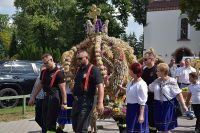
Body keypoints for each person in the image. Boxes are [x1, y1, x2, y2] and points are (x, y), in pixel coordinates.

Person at [28, 53, 67, 133]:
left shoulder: (59, 73)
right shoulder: (44, 72)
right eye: (44, 63)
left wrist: (64, 102)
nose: (45, 65)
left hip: (54, 98)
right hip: (46, 97)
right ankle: (59, 131)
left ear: (51, 60)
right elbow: (40, 85)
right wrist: (33, 97)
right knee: (44, 121)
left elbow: (63, 90)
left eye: (46, 63)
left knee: (50, 122)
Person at [149, 63, 188, 133]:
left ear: (163, 72)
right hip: (157, 106)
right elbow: (149, 88)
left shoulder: (172, 81)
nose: (156, 72)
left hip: (167, 106)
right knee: (161, 128)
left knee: (165, 128)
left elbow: (178, 93)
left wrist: (183, 105)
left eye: (158, 71)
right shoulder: (157, 80)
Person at [71, 50, 104, 133]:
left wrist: (100, 102)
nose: (78, 60)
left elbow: (100, 86)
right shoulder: (79, 69)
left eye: (80, 58)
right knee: (75, 124)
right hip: (77, 100)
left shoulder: (94, 69)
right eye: (77, 59)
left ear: (86, 58)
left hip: (87, 100)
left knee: (82, 127)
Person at [125, 63, 149, 133]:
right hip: (131, 108)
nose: (129, 71)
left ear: (134, 71)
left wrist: (141, 115)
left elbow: (142, 102)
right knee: (131, 130)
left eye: (130, 70)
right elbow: (131, 92)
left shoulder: (141, 84)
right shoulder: (131, 81)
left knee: (138, 130)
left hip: (138, 109)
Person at [142, 51, 158, 133]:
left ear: (151, 59)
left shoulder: (157, 70)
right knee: (146, 120)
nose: (143, 60)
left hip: (154, 100)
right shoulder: (144, 70)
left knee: (153, 121)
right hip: (145, 99)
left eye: (145, 59)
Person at [30, 65, 46, 133]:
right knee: (37, 118)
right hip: (39, 99)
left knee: (44, 119)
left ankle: (46, 130)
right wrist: (32, 97)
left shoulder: (47, 77)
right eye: (41, 70)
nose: (42, 71)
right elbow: (35, 88)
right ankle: (47, 129)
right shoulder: (38, 77)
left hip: (45, 100)